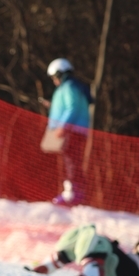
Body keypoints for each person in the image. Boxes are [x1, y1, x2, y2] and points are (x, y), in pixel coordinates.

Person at [25, 223, 139, 276]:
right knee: (85, 233)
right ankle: (51, 264)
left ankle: (93, 273)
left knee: (100, 242)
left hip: (136, 274)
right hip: (128, 268)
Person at [42, 58, 91, 206]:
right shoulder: (69, 87)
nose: (54, 81)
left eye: (54, 77)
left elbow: (72, 108)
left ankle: (73, 193)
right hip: (74, 130)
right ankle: (76, 192)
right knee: (70, 159)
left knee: (71, 160)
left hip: (72, 131)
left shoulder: (69, 87)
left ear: (61, 74)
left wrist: (63, 126)